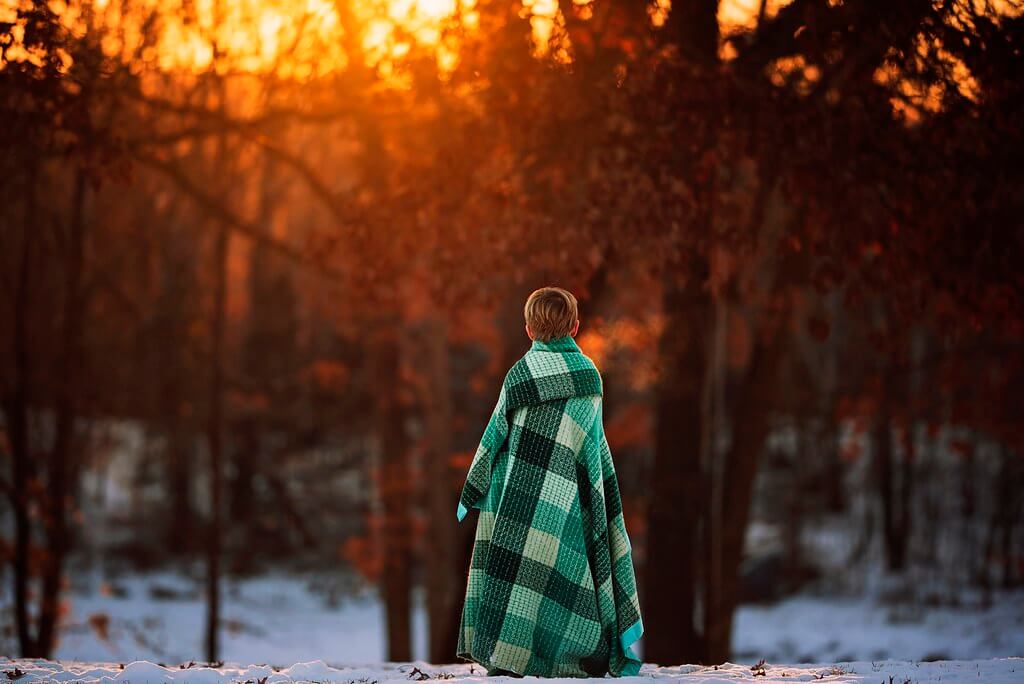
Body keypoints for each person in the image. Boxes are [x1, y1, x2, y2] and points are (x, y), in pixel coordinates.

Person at [455, 286, 643, 677]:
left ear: (527, 329)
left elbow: (494, 435)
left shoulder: (520, 374)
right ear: (576, 326)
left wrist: (473, 487)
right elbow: (591, 444)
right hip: (570, 496)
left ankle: (508, 657)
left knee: (518, 573)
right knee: (567, 566)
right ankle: (574, 656)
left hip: (515, 496)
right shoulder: (588, 376)